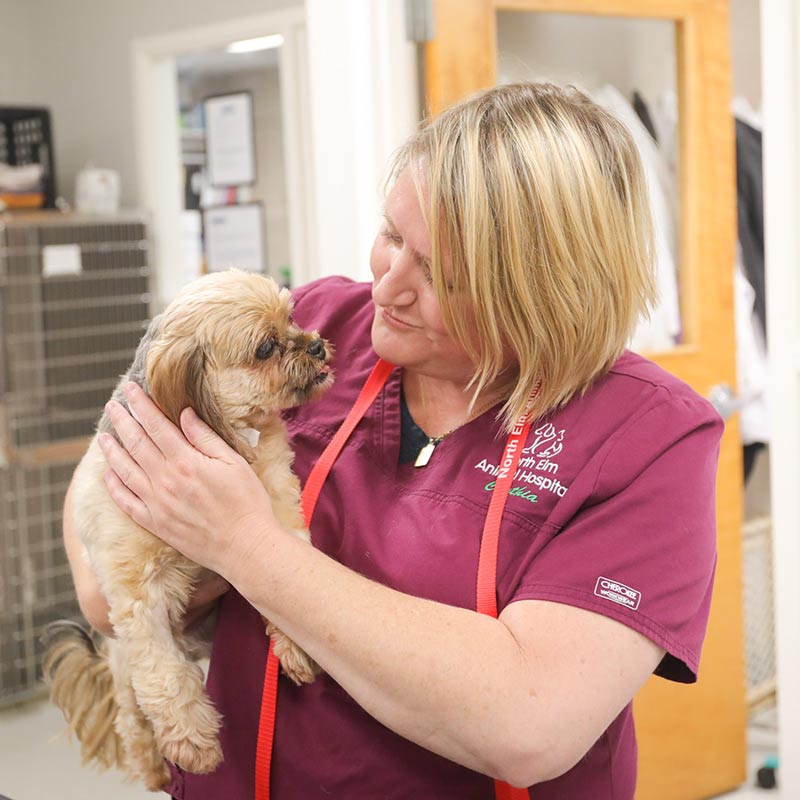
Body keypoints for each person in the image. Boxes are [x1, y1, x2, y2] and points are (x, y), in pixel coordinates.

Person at [63, 81, 723, 799]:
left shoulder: (649, 437)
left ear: (545, 291)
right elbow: (111, 466)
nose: (387, 287)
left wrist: (244, 546)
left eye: (440, 274)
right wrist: (132, 586)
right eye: (391, 236)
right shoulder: (310, 328)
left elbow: (530, 724)